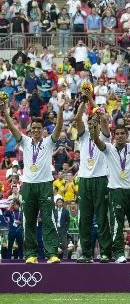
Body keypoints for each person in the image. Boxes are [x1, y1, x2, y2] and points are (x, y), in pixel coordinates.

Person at [2, 94, 66, 263]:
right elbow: (12, 128)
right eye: (34, 128)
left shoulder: (49, 142)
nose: (36, 130)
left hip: (45, 185)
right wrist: (5, 112)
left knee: (49, 219)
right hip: (29, 185)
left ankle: (51, 253)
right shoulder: (24, 141)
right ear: (30, 130)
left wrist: (60, 109)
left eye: (39, 128)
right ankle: (30, 254)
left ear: (43, 130)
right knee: (28, 221)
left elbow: (59, 127)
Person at [90, 116, 130, 263]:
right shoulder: (109, 149)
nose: (120, 136)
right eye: (117, 134)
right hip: (116, 191)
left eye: (123, 133)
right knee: (117, 223)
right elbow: (97, 141)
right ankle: (118, 253)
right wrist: (95, 128)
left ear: (127, 135)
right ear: (114, 136)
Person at [73, 93, 114, 263]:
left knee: (102, 217)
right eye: (90, 122)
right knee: (84, 219)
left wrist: (90, 99)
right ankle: (86, 253)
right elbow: (77, 119)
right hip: (84, 180)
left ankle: (105, 252)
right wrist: (83, 102)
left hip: (100, 178)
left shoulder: (105, 137)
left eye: (94, 122)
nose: (92, 124)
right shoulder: (83, 137)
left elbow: (103, 118)